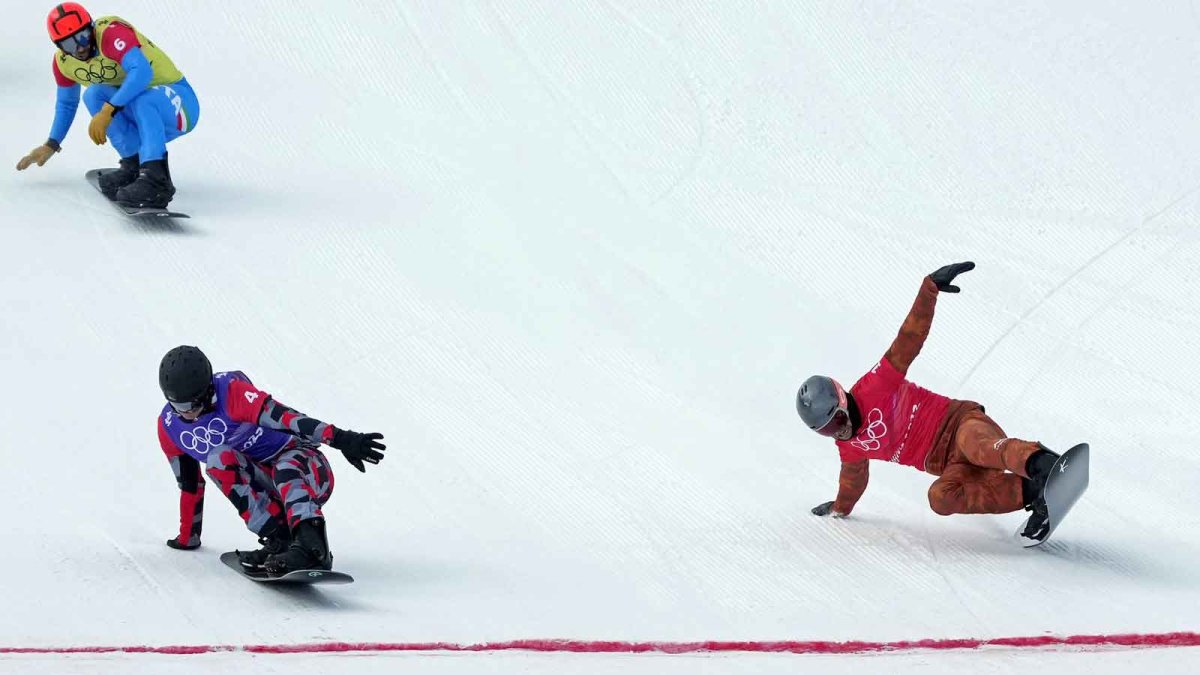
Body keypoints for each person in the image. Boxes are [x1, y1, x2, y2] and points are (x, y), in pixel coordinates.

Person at [796, 262, 1062, 543]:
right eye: (826, 431)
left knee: (979, 447)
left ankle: (1042, 463)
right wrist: (840, 508)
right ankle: (1035, 494)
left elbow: (909, 339)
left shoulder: (875, 385)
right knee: (940, 498)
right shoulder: (848, 447)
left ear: (842, 400)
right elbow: (853, 481)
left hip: (959, 424)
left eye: (837, 420)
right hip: (947, 464)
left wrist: (929, 289)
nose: (838, 431)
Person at [156, 346, 386, 574]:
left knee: (285, 466)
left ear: (207, 391)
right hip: (267, 480)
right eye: (178, 406)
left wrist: (340, 438)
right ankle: (281, 540)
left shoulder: (233, 392)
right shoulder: (169, 427)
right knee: (218, 460)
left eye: (193, 404)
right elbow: (190, 485)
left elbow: (287, 418)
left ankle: (313, 549)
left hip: (309, 469)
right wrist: (189, 537)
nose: (186, 413)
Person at [15, 3, 199, 208]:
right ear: (59, 47)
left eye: (83, 36)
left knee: (143, 99)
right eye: (69, 45)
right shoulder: (63, 63)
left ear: (92, 28)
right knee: (93, 94)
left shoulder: (111, 34)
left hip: (180, 105)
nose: (80, 47)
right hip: (142, 111)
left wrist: (109, 109)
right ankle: (135, 165)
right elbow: (67, 103)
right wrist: (52, 144)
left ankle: (157, 181)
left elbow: (142, 72)